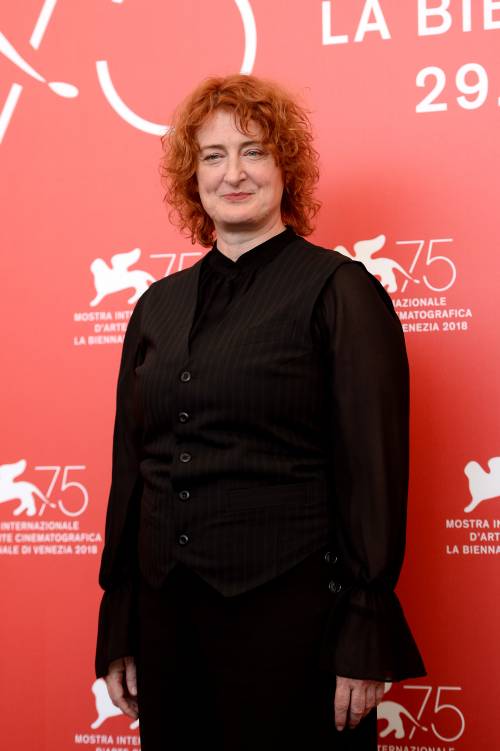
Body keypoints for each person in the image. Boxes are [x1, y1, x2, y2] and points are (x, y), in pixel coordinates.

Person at [95, 74, 425, 750]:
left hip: (294, 621)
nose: (234, 173)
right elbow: (133, 470)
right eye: (214, 156)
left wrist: (365, 625)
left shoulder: (340, 291)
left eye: (254, 151)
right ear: (193, 177)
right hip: (168, 619)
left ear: (286, 168)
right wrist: (120, 616)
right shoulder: (155, 306)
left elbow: (372, 471)